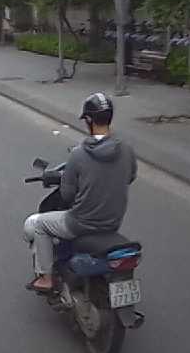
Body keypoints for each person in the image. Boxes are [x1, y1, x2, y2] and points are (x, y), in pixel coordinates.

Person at [22, 92, 136, 293]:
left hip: (80, 223)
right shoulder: (127, 150)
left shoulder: (79, 154)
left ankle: (46, 279)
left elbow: (67, 195)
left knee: (38, 224)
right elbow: (130, 177)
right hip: (112, 222)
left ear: (89, 120)